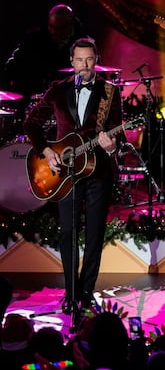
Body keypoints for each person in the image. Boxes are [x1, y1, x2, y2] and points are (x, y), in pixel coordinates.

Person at [23, 37, 122, 313]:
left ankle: (87, 292)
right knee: (68, 232)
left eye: (89, 59)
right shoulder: (58, 90)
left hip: (98, 171)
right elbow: (31, 122)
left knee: (94, 234)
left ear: (97, 59)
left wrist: (112, 144)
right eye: (79, 59)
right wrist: (45, 150)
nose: (84, 65)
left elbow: (119, 132)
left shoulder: (110, 92)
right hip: (64, 174)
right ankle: (71, 292)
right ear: (71, 61)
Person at [1, 4, 89, 133]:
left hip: (68, 108)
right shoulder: (33, 39)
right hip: (31, 101)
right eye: (51, 27)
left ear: (70, 25)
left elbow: (95, 77)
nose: (54, 32)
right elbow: (11, 66)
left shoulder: (85, 44)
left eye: (59, 29)